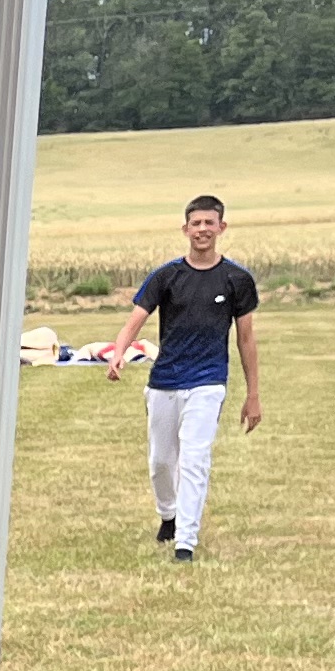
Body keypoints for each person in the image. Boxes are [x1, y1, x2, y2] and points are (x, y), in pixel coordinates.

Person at [99, 193, 260, 561]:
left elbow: (246, 339)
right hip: (164, 382)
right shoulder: (167, 277)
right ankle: (168, 515)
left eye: (209, 223)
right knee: (160, 462)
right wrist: (118, 353)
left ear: (221, 227)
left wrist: (253, 394)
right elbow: (134, 321)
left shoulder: (237, 279)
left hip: (208, 381)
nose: (202, 230)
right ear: (185, 229)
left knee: (194, 458)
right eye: (196, 223)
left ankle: (186, 541)